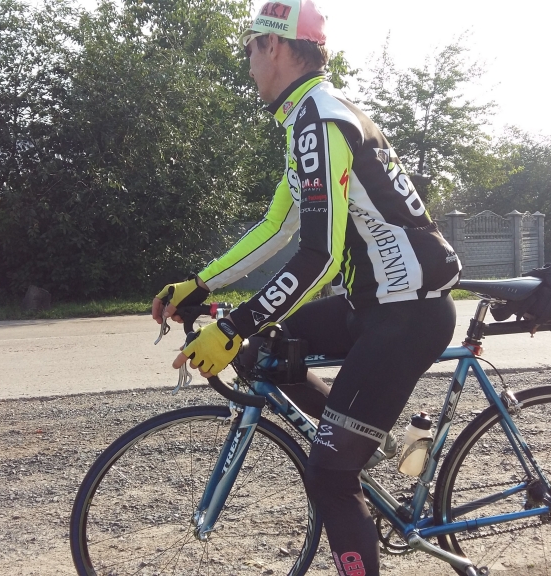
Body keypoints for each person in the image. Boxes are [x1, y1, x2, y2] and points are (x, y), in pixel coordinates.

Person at [151, 1, 461, 573]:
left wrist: (236, 322)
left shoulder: (320, 121)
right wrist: (198, 284)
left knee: (328, 476)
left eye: (250, 48)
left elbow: (318, 255)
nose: (247, 63)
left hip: (407, 314)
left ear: (274, 46)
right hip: (374, 304)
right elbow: (277, 226)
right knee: (262, 351)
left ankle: (347, 454)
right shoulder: (309, 116)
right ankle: (368, 441)